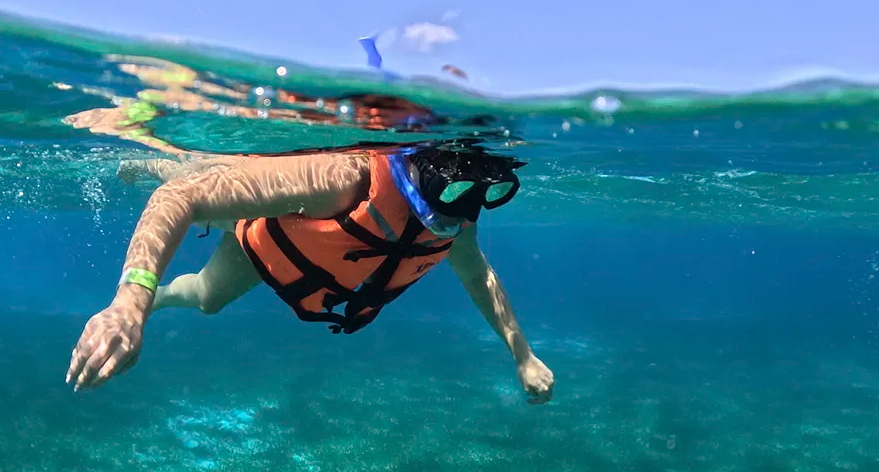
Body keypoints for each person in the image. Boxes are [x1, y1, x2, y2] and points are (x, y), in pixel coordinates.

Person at [66, 143, 554, 403]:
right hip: (267, 228)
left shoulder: (457, 216)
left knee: (208, 297)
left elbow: (477, 277)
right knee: (202, 254)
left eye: (482, 198)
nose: (461, 214)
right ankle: (156, 165)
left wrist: (523, 356)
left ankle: (162, 288)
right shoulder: (345, 177)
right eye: (454, 196)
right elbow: (178, 200)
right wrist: (130, 303)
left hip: (302, 246)